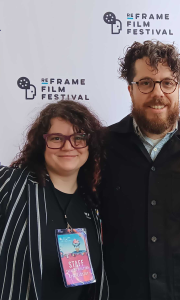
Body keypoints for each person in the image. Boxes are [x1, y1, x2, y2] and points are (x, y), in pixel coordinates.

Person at [100, 40, 180, 300]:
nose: (158, 93)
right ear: (130, 90)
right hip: (120, 293)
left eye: (167, 82)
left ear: (177, 88)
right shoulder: (103, 145)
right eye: (145, 83)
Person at [0, 100, 109, 300]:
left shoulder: (92, 203)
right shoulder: (9, 184)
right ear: (42, 143)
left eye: (79, 137)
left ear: (89, 144)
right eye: (57, 138)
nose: (68, 146)